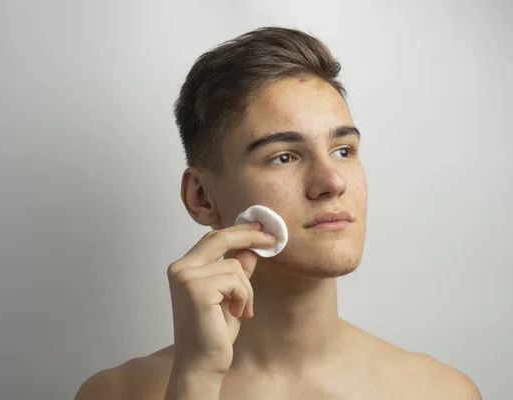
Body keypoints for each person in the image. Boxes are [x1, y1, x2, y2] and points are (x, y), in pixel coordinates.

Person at [75, 27, 482, 399]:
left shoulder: (440, 392)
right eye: (283, 156)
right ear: (201, 197)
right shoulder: (117, 393)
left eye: (343, 151)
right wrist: (196, 378)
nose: (331, 182)